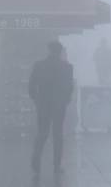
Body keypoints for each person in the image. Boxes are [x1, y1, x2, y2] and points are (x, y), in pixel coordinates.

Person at [29, 41, 74, 176]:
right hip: (59, 105)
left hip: (43, 104)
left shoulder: (39, 66)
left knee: (42, 133)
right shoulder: (67, 67)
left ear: (48, 50)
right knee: (58, 135)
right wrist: (65, 100)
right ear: (60, 51)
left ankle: (36, 161)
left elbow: (31, 86)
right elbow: (69, 87)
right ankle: (56, 165)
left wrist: (37, 100)